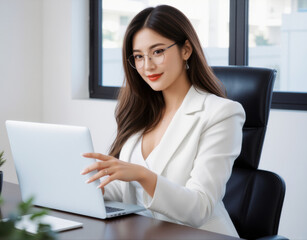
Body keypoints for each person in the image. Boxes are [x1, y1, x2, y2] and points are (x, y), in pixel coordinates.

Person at [81, 5, 245, 237]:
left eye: (157, 52)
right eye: (138, 56)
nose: (147, 66)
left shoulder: (221, 113)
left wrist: (142, 174)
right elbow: (130, 191)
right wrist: (89, 185)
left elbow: (200, 208)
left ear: (186, 49)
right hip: (144, 233)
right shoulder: (141, 112)